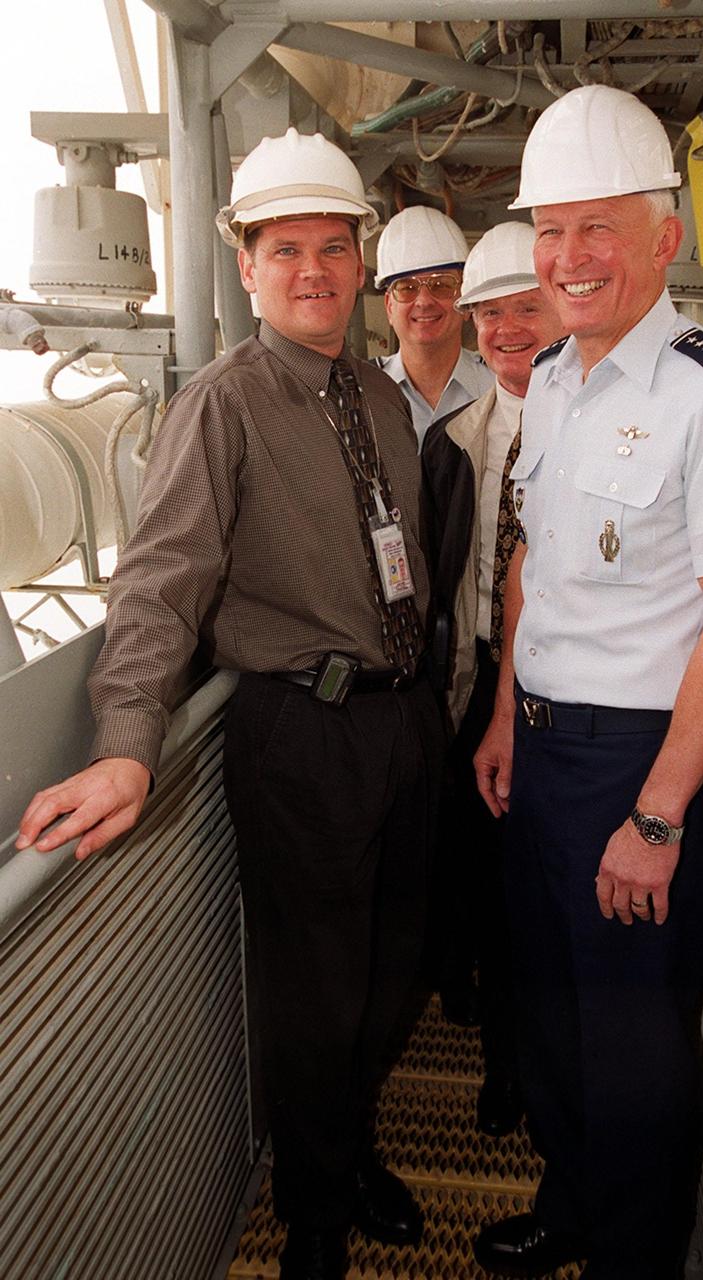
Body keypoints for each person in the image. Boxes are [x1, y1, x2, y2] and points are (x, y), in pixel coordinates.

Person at [16, 127, 443, 1280]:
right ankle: (312, 1209)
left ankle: (349, 1151)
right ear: (247, 267)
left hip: (403, 722)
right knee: (313, 990)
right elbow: (156, 585)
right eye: (285, 248)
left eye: (332, 248)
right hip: (300, 731)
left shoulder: (379, 395)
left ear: (359, 265)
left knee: (395, 962)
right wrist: (125, 744)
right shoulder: (222, 402)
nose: (313, 269)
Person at [470, 85, 703, 1280]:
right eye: (549, 229)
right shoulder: (551, 379)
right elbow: (532, 568)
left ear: (664, 234)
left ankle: (631, 1255)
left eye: (596, 226)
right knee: (551, 1011)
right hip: (545, 752)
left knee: (636, 1045)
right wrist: (506, 712)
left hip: (640, 762)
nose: (568, 257)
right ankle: (568, 1200)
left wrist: (656, 816)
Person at [422, 221, 563, 1138]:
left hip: (569, 703)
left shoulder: (603, 426)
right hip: (480, 691)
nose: (506, 330)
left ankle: (529, 1063)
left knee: (543, 897)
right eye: (489, 315)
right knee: (488, 882)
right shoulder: (454, 442)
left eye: (525, 308)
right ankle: (504, 1063)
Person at [375, 205, 493, 449]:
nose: (424, 301)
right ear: (389, 306)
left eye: (441, 284)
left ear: (464, 299)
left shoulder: (500, 385)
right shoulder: (364, 392)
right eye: (407, 288)